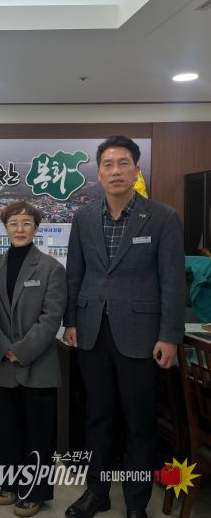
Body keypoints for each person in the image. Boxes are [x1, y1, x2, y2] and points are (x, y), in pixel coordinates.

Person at [63, 136, 185, 518]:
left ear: (136, 170)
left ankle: (136, 503)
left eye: (123, 163)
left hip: (142, 335)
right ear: (98, 173)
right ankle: (96, 492)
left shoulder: (162, 217)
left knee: (139, 422)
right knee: (97, 418)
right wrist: (70, 321)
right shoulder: (84, 217)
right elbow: (74, 274)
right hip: (92, 332)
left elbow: (172, 281)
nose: (115, 171)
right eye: (108, 165)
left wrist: (169, 336)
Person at [0, 201, 66, 517]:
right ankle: (10, 484)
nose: (19, 229)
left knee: (39, 433)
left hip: (38, 364)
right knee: (6, 429)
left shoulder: (51, 268)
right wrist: (4, 347)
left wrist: (22, 350)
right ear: (5, 228)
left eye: (26, 223)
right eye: (13, 223)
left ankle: (35, 492)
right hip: (3, 362)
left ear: (36, 228)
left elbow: (51, 317)